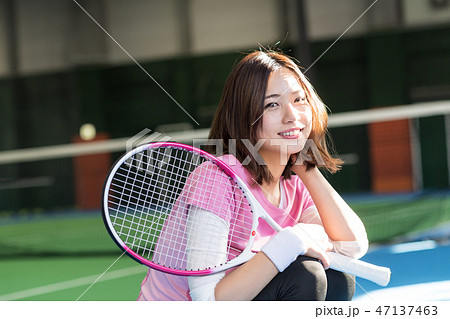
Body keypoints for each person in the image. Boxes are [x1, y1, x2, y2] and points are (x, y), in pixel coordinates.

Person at [138, 50, 368, 301]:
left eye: (299, 99)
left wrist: (307, 167)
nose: (292, 116)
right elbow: (205, 303)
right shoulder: (217, 178)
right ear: (245, 117)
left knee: (337, 275)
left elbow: (351, 247)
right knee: (306, 274)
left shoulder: (294, 184)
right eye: (272, 104)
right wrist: (293, 240)